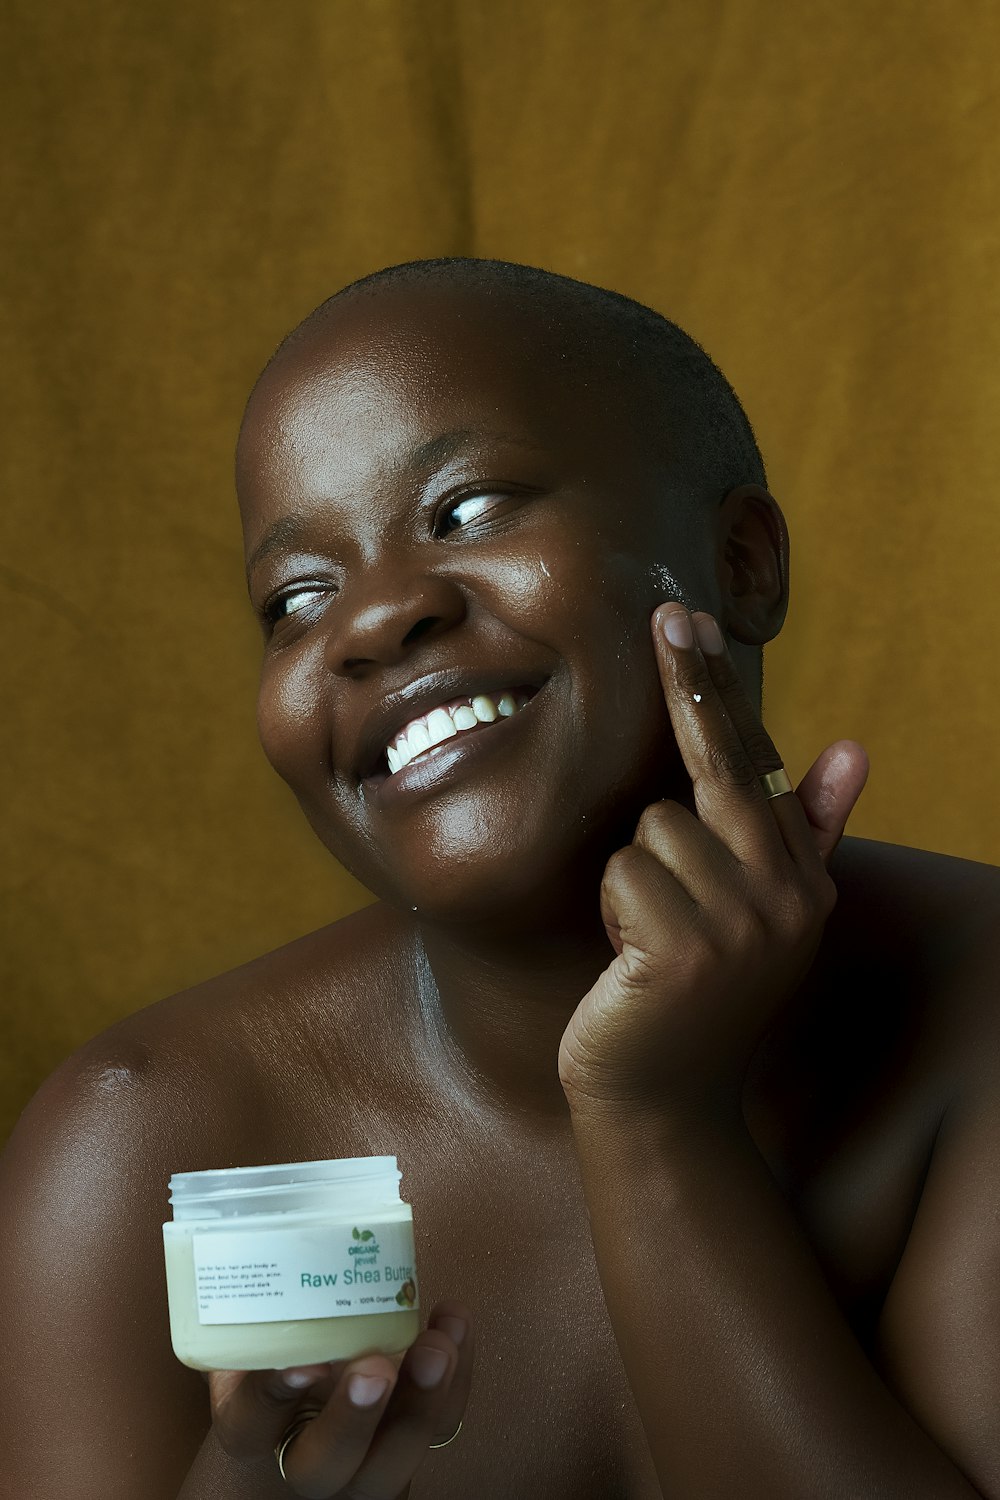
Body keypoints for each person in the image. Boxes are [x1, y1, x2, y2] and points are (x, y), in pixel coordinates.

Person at [1, 257, 998, 1500]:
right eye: (296, 599)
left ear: (738, 563)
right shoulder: (141, 1144)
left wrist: (655, 1123)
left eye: (467, 512)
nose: (371, 620)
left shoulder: (977, 1022)